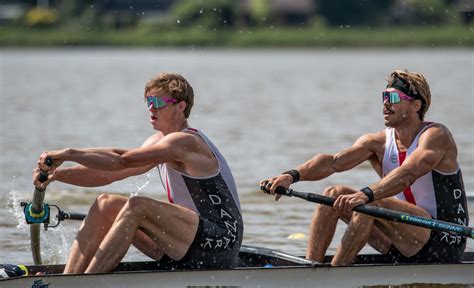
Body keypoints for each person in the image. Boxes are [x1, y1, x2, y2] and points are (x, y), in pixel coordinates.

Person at [33, 72, 243, 273]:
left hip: (220, 243)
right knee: (105, 204)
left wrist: (69, 154)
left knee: (137, 206)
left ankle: (86, 283)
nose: (151, 109)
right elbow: (108, 173)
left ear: (180, 106)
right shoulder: (160, 142)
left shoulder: (186, 142)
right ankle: (69, 280)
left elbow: (121, 160)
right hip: (185, 242)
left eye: (158, 103)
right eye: (149, 102)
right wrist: (57, 175)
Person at [260, 69, 469, 266]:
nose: (386, 105)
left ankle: (335, 276)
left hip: (444, 240)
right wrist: (291, 176)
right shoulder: (377, 142)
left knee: (370, 203)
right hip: (399, 240)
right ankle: (310, 269)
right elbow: (333, 162)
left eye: (393, 99)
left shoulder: (436, 136)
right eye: (384, 98)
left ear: (416, 105)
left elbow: (408, 174)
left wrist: (365, 195)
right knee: (333, 194)